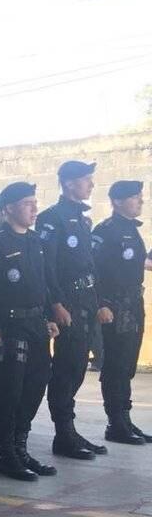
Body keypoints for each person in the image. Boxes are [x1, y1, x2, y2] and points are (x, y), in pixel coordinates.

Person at [0, 182, 59, 481]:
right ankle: (8, 456)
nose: (34, 209)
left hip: (35, 325)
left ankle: (21, 448)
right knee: (10, 392)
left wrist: (48, 316)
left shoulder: (35, 240)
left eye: (35, 202)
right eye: (26, 203)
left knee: (35, 387)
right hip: (9, 327)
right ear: (9, 208)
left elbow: (41, 284)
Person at [37, 160, 106, 459]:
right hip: (68, 303)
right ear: (68, 183)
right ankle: (63, 434)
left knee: (79, 367)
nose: (91, 184)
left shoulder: (80, 218)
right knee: (67, 368)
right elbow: (48, 267)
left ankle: (70, 430)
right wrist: (56, 304)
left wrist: (98, 301)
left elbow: (89, 265)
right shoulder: (52, 219)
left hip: (86, 300)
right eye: (86, 179)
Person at [92, 180, 149, 444]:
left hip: (133, 304)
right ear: (117, 201)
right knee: (116, 364)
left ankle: (125, 418)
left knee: (127, 364)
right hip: (114, 306)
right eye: (135, 197)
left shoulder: (131, 230)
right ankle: (115, 423)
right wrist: (100, 304)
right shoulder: (106, 231)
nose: (141, 201)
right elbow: (93, 270)